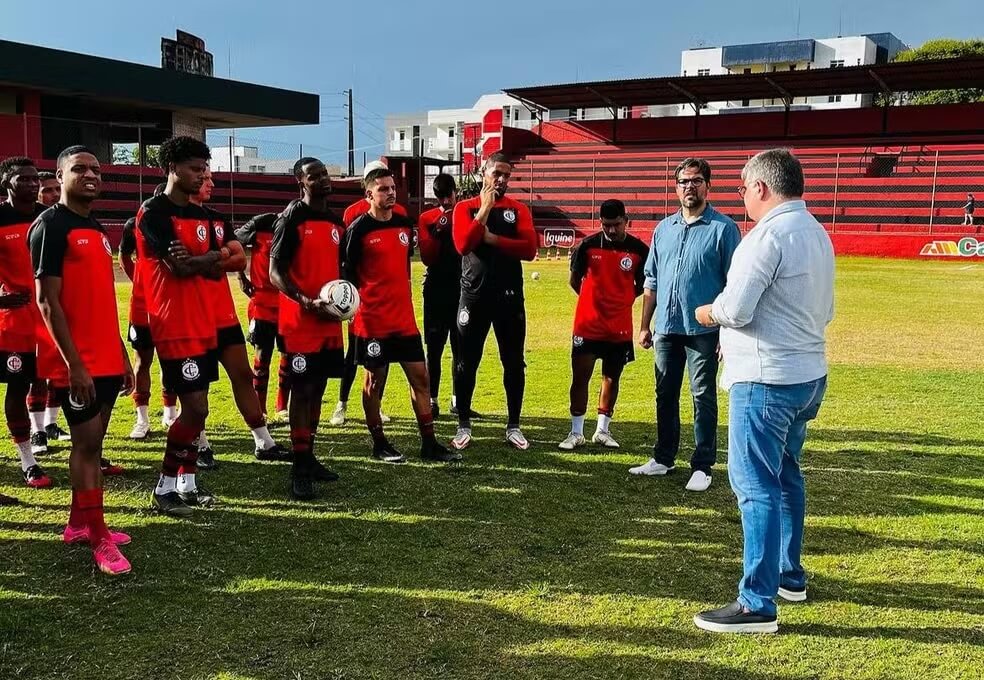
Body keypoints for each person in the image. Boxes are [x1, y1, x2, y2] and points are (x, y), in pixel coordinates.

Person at [692, 149, 834, 634]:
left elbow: (737, 308)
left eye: (742, 188)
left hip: (767, 378)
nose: (742, 198)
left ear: (761, 188)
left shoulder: (764, 238)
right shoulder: (816, 232)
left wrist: (707, 312)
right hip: (806, 374)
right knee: (786, 474)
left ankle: (757, 601)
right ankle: (788, 575)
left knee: (755, 485)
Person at [29, 145, 135, 575]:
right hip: (78, 362)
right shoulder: (49, 226)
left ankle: (78, 524)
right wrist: (74, 364)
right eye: (79, 169)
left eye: (95, 169)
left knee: (93, 443)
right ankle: (98, 535)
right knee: (87, 446)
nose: (90, 174)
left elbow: (101, 298)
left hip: (107, 356)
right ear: (60, 175)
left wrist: (123, 355)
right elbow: (47, 301)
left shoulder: (93, 226)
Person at [629, 158, 741, 493]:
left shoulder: (723, 229)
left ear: (708, 185)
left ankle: (703, 464)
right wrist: (645, 325)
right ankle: (663, 458)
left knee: (702, 395)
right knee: (664, 393)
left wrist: (727, 332)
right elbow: (652, 281)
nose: (688, 187)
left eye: (695, 181)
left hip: (704, 331)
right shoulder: (663, 229)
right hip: (666, 326)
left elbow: (733, 284)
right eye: (682, 182)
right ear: (675, 187)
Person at [341, 166, 458, 464]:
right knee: (374, 381)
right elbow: (347, 277)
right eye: (383, 189)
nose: (390, 193)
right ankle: (379, 443)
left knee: (421, 377)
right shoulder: (358, 229)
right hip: (372, 321)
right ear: (369, 194)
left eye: (393, 188)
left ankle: (429, 443)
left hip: (403, 319)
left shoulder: (405, 224)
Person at [138, 136, 227, 517]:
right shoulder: (152, 213)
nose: (202, 175)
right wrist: (207, 261)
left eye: (204, 168)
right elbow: (179, 267)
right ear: (172, 168)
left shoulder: (202, 215)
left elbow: (210, 268)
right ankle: (164, 486)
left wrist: (205, 259)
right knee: (194, 407)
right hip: (173, 323)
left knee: (200, 410)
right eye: (195, 169)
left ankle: (187, 484)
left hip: (202, 320)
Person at [188, 168, 286, 467]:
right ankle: (199, 443)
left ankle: (263, 441)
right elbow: (181, 265)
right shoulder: (166, 216)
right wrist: (219, 257)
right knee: (197, 385)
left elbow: (239, 258)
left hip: (224, 314)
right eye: (204, 177)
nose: (211, 183)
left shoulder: (217, 218)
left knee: (243, 375)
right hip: (192, 315)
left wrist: (206, 259)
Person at [270, 157, 347, 499]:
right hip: (300, 322)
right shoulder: (291, 218)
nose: (323, 179)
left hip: (329, 322)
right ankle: (299, 467)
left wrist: (344, 302)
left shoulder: (334, 221)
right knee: (301, 391)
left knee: (317, 388)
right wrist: (304, 300)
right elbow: (275, 272)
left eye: (324, 173)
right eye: (314, 175)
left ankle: (309, 455)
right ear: (300, 182)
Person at [451, 152, 537, 450]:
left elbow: (529, 249)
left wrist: (493, 240)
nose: (501, 180)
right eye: (496, 173)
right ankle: (463, 424)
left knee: (513, 362)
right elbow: (463, 244)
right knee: (466, 362)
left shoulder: (518, 210)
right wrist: (485, 208)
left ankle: (514, 425)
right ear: (482, 173)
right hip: (473, 297)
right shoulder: (465, 207)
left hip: (509, 298)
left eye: (506, 175)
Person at [559, 199, 648, 450]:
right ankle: (576, 432)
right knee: (580, 377)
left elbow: (644, 285)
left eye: (616, 225)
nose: (611, 230)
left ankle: (602, 430)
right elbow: (574, 280)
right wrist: (592, 301)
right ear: (600, 223)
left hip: (618, 328)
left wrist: (622, 299)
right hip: (588, 325)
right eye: (606, 225)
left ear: (626, 221)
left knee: (611, 377)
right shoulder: (586, 246)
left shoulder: (639, 250)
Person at [328, 160, 405, 426]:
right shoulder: (353, 214)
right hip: (362, 302)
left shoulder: (399, 213)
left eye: (391, 185)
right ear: (369, 186)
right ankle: (342, 403)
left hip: (390, 305)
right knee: (354, 354)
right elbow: (347, 260)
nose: (389, 191)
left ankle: (376, 404)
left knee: (384, 358)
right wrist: (351, 300)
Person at [0, 156, 52, 489]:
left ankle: (49, 434)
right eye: (25, 179)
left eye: (36, 179)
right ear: (7, 183)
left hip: (49, 315)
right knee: (18, 385)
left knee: (53, 380)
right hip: (14, 319)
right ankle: (27, 460)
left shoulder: (48, 218)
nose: (33, 184)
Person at [417, 174, 478, 419]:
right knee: (435, 348)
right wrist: (439, 229)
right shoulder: (427, 218)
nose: (446, 200)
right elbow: (427, 257)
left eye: (447, 195)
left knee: (460, 347)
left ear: (455, 192)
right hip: (440, 289)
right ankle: (433, 400)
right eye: (442, 196)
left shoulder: (465, 214)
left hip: (461, 288)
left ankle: (457, 400)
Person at [119, 205, 178, 440]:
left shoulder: (175, 225)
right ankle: (142, 420)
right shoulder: (132, 225)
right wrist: (139, 281)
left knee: (170, 362)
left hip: (168, 306)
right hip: (142, 308)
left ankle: (170, 414)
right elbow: (124, 254)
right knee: (142, 361)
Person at [236, 212, 290, 420]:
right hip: (262, 304)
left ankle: (282, 407)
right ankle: (260, 409)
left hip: (288, 305)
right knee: (262, 356)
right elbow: (233, 242)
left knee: (288, 356)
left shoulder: (295, 229)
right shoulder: (261, 226)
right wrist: (241, 276)